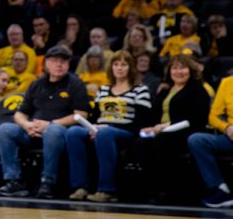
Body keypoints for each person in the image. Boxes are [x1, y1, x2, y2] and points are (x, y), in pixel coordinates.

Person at [0, 45, 90, 199]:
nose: (59, 64)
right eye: (54, 61)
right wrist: (26, 125)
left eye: (63, 61)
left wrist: (51, 124)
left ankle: (48, 182)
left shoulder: (75, 84)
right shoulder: (37, 84)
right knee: (4, 129)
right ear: (46, 64)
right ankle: (14, 181)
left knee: (53, 130)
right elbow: (19, 114)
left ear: (68, 64)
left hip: (60, 133)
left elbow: (81, 114)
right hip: (32, 131)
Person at [65, 50, 152, 202]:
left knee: (106, 133)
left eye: (124, 65)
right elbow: (95, 116)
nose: (119, 68)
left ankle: (107, 189)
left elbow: (142, 121)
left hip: (126, 132)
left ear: (130, 68)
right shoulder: (104, 90)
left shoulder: (140, 90)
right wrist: (93, 128)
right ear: (111, 67)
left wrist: (105, 128)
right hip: (101, 129)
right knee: (73, 132)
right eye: (116, 64)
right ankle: (80, 187)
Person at [140, 54, 211, 204]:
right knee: (142, 141)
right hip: (162, 130)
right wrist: (150, 127)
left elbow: (197, 118)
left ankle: (169, 191)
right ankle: (151, 191)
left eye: (183, 68)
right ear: (169, 71)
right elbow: (154, 113)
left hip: (187, 131)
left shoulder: (198, 90)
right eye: (175, 68)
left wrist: (167, 126)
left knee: (162, 141)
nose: (179, 72)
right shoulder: (165, 90)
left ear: (191, 70)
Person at [188, 74, 233, 208]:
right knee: (196, 140)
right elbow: (213, 116)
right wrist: (227, 127)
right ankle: (220, 189)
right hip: (230, 137)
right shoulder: (227, 82)